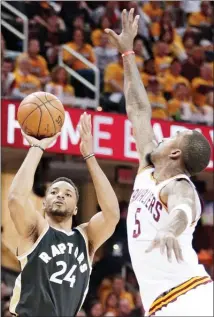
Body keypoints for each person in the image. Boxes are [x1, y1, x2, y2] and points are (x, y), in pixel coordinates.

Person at [105, 8, 213, 317]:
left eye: (176, 135)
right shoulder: (147, 165)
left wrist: (169, 229)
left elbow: (183, 208)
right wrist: (127, 52)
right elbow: (138, 108)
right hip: (163, 305)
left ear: (176, 154)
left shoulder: (179, 186)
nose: (170, 133)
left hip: (190, 298)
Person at [8, 112, 120, 316]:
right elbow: (16, 198)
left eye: (68, 194)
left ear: (76, 208)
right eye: (54, 192)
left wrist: (90, 156)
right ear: (44, 203)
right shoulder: (36, 230)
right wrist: (37, 147)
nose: (60, 195)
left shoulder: (86, 238)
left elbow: (112, 213)